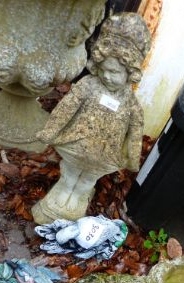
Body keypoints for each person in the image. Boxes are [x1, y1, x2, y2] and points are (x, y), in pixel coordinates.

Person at [32, 13, 151, 224]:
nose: (107, 76)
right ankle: (65, 189)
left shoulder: (130, 103)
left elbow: (135, 128)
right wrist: (50, 130)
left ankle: (79, 196)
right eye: (104, 70)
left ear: (130, 72)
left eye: (114, 72)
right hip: (76, 143)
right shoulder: (88, 85)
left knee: (88, 178)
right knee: (70, 171)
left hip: (105, 153)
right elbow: (67, 108)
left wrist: (132, 158)